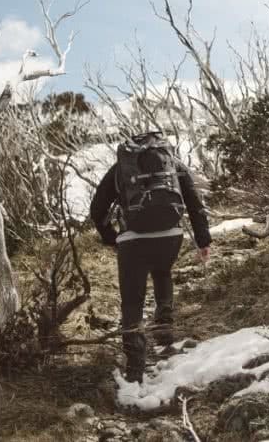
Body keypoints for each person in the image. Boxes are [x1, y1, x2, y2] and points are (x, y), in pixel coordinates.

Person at [89, 132, 212, 383]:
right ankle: (165, 333)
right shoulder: (174, 166)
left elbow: (97, 209)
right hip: (170, 235)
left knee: (132, 301)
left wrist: (111, 238)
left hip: (133, 240)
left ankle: (135, 367)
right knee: (163, 271)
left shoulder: (120, 170)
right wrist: (203, 241)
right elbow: (194, 204)